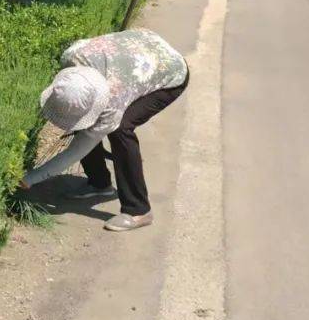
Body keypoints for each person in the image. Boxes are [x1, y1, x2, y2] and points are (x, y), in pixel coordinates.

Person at [19, 29, 189, 233]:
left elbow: (78, 149)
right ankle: (100, 184)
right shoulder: (72, 56)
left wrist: (32, 178)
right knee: (86, 121)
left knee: (121, 129)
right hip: (143, 45)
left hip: (171, 71)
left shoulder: (113, 100)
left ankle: (138, 210)